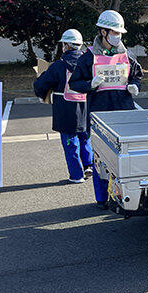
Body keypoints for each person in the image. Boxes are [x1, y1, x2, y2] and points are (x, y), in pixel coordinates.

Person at [68, 10, 143, 210]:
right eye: (114, 32)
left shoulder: (127, 54)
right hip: (100, 114)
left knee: (125, 159)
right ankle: (102, 198)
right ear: (103, 32)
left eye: (119, 33)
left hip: (124, 112)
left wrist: (134, 85)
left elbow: (137, 75)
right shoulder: (88, 57)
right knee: (101, 159)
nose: (117, 36)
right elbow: (75, 83)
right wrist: (90, 84)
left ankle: (126, 198)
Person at [33, 29, 92, 184]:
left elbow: (41, 84)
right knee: (85, 137)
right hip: (87, 107)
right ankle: (89, 165)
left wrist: (41, 94)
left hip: (66, 110)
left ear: (66, 45)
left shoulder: (59, 65)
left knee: (70, 142)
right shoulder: (89, 62)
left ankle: (77, 175)